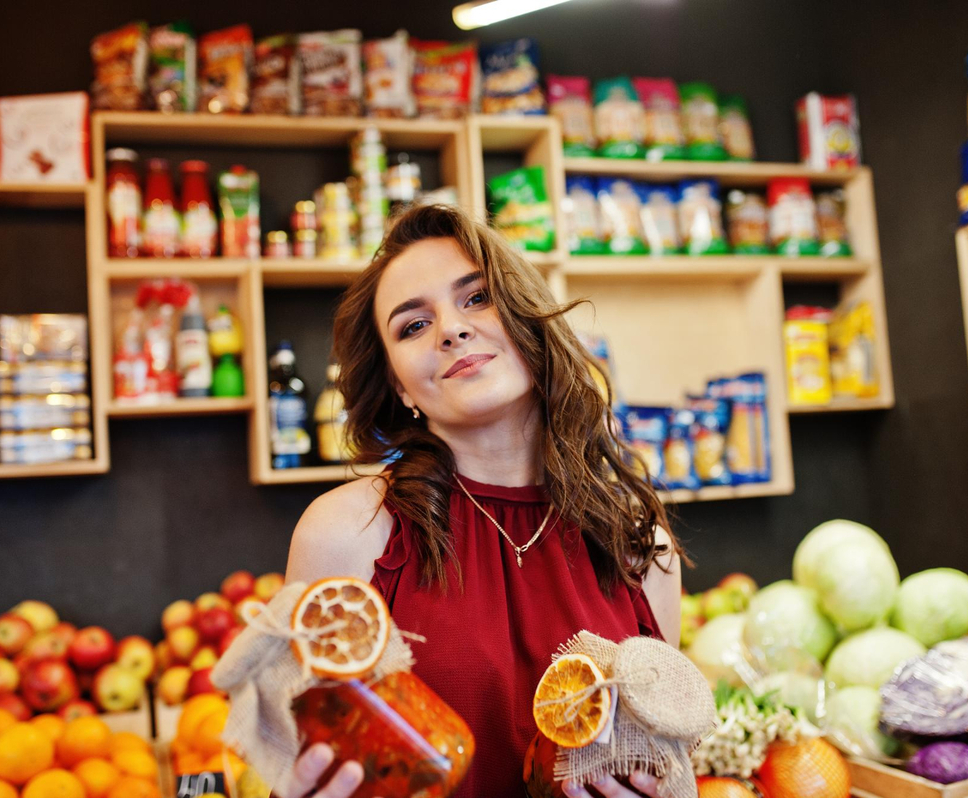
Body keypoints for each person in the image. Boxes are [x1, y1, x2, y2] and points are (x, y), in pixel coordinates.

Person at [282, 204, 685, 798]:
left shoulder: (639, 544)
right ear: (397, 383)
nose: (449, 328)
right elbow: (305, 768)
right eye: (412, 326)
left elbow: (663, 767)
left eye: (476, 297)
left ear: (529, 318)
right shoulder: (347, 533)